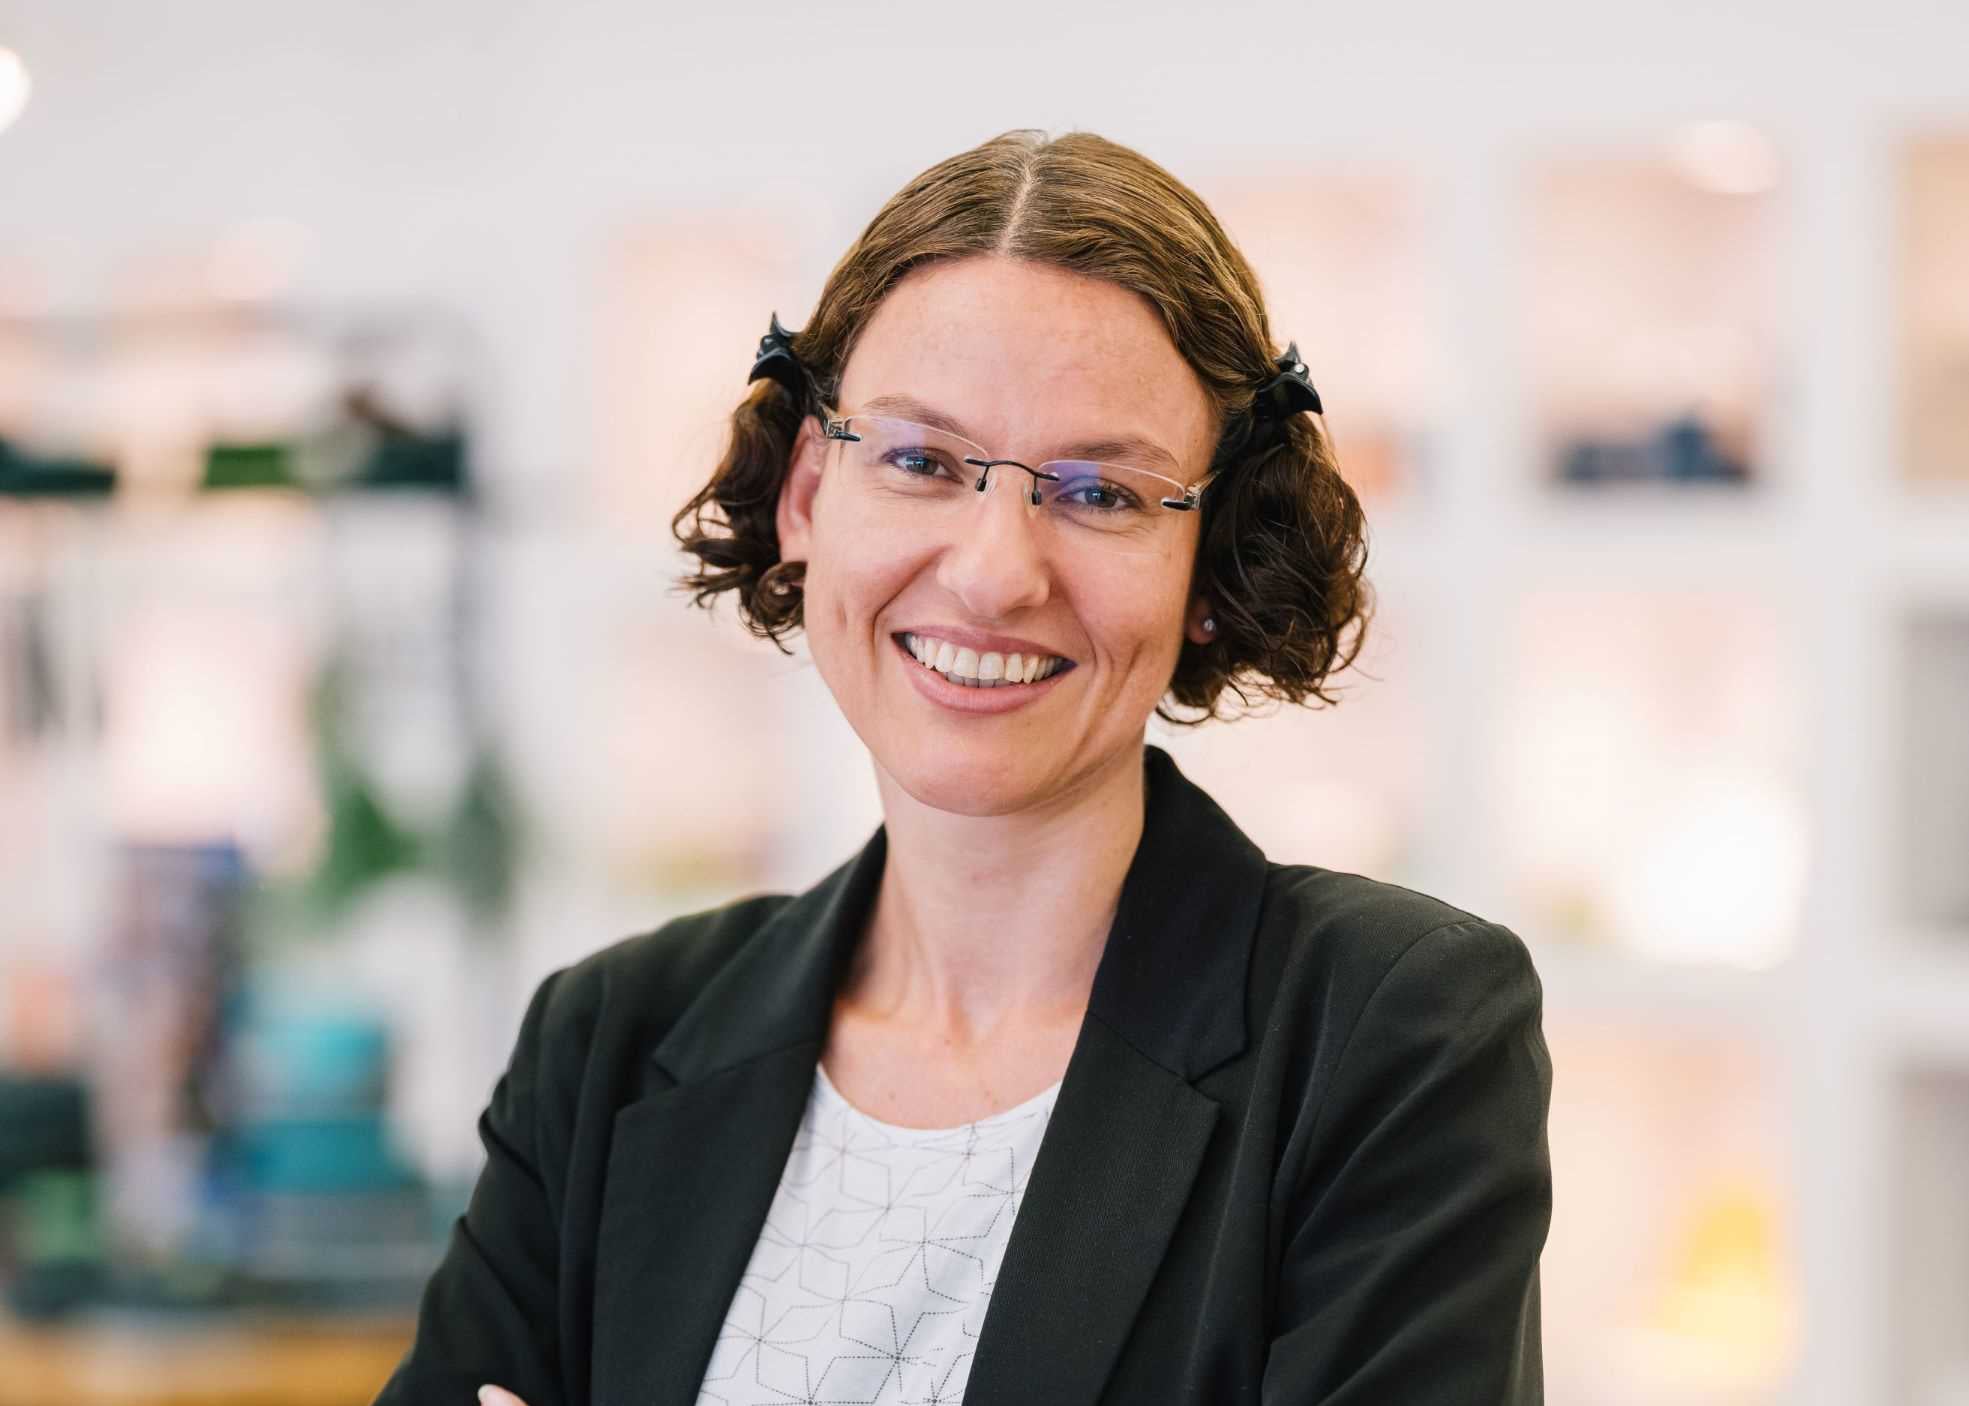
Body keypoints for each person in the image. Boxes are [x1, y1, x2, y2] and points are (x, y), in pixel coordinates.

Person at [372, 128, 1552, 1406]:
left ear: (1213, 561)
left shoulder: (1386, 1034)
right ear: (808, 497)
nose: (994, 572)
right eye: (921, 461)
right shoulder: (608, 1039)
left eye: (1100, 492)